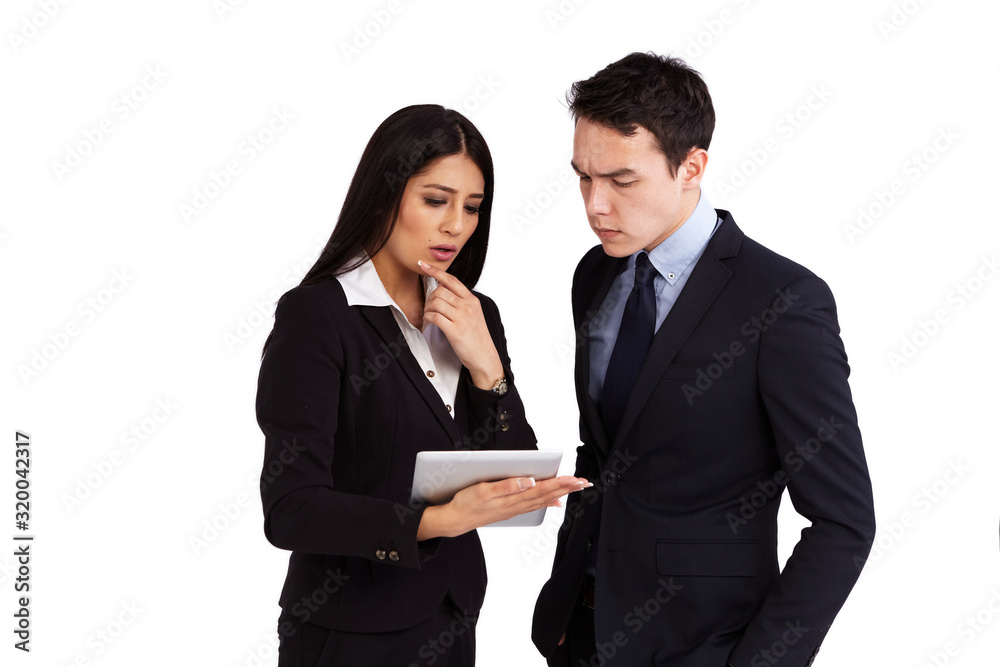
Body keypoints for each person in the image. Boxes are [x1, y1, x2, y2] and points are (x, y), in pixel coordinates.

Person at [531, 53, 876, 666]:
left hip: (704, 646)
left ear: (692, 166)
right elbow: (609, 451)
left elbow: (844, 523)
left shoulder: (783, 303)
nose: (594, 205)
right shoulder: (596, 273)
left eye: (621, 180)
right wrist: (565, 594)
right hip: (580, 633)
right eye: (583, 177)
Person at [256, 104, 589, 666]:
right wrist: (438, 521)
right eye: (435, 200)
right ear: (384, 194)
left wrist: (489, 369)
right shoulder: (318, 316)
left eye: (472, 207)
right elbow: (290, 508)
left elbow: (512, 474)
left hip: (451, 618)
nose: (456, 225)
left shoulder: (474, 315)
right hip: (349, 631)